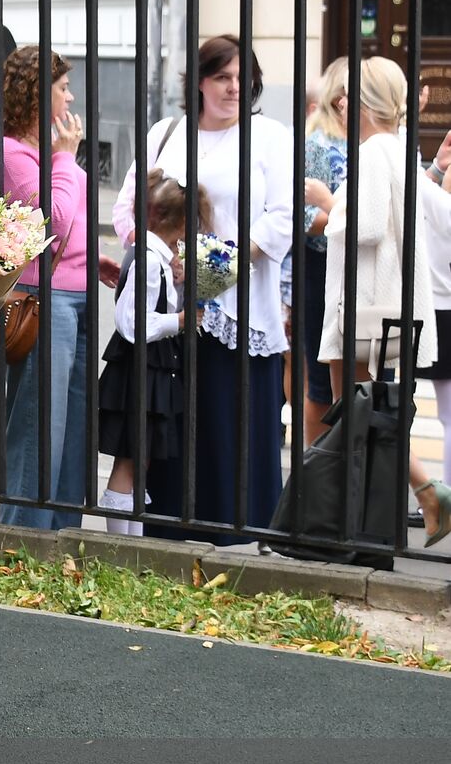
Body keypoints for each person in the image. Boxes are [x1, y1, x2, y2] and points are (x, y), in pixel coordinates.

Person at [112, 34, 294, 545]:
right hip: (167, 310)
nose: (235, 88)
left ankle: (240, 546)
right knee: (173, 430)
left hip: (240, 309)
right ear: (198, 82)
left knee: (233, 431)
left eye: (243, 78)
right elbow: (126, 210)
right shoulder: (166, 133)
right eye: (222, 77)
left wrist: (209, 268)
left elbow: (281, 220)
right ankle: (168, 539)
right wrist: (159, 257)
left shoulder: (270, 137)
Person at [314, 57, 449, 546]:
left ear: (366, 101)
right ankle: (388, 506)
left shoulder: (372, 153)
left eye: (350, 95)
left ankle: (406, 499)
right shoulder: (397, 149)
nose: (341, 103)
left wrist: (329, 210)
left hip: (361, 306)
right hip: (384, 304)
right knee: (359, 413)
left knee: (354, 411)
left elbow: (364, 227)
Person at [0, 46, 94, 530]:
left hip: (78, 293)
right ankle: (22, 538)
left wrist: (94, 258)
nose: (70, 97)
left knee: (73, 428)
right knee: (38, 425)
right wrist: (66, 159)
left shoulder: (41, 153)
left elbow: (71, 227)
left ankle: (63, 537)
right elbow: (53, 220)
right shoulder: (6, 153)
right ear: (38, 95)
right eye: (63, 88)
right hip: (42, 299)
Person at [98, 170, 212, 534]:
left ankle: (132, 540)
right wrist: (179, 320)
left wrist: (175, 282)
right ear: (180, 225)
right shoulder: (147, 260)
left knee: (139, 458)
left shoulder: (154, 257)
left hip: (149, 368)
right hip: (140, 368)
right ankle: (118, 549)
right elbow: (132, 322)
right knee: (130, 460)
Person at [299, 57, 350, 445]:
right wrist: (343, 213)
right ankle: (316, 470)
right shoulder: (318, 144)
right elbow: (303, 219)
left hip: (364, 268)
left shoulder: (372, 142)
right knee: (322, 377)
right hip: (323, 267)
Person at [416, 131, 451, 510]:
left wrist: (435, 170)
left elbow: (414, 185)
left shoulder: (437, 204)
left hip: (434, 309)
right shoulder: (439, 203)